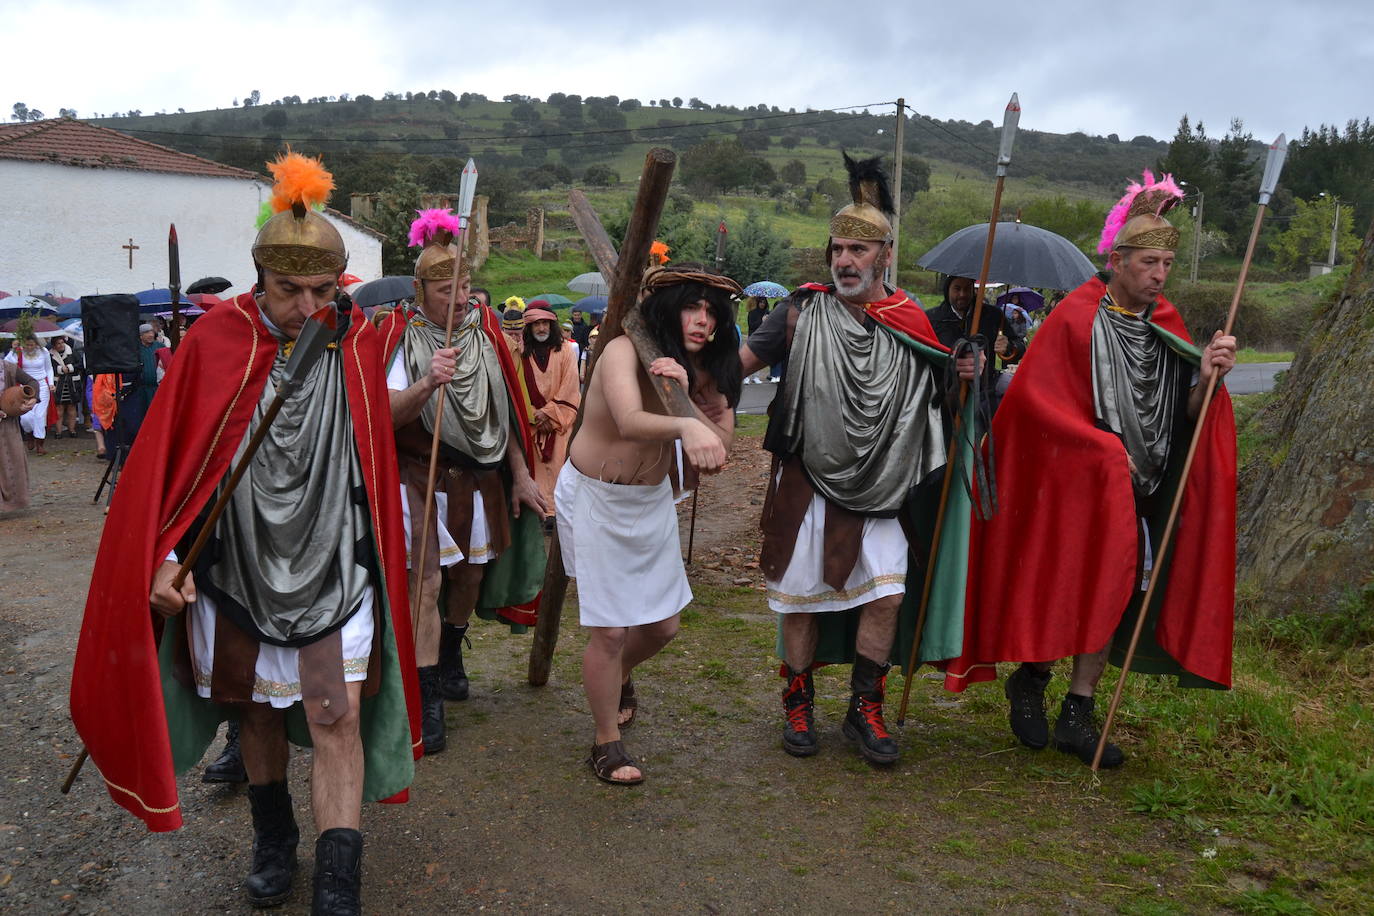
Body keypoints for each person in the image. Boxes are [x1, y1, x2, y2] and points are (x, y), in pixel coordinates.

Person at [70, 152, 421, 914]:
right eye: (287, 290)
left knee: (336, 713)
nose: (304, 306)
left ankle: (338, 880)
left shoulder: (358, 346)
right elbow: (170, 465)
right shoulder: (214, 343)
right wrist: (164, 557)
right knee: (255, 709)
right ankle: (272, 836)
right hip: (235, 566)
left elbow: (378, 444)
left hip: (335, 564)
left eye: (321, 291)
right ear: (258, 278)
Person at [942, 172, 1238, 768]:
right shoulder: (1077, 316)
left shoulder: (1165, 325)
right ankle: (1031, 679)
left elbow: (1184, 416)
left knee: (1117, 589)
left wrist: (1207, 377)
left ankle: (1079, 711)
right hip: (1070, 483)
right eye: (1149, 262)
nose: (1159, 274)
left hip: (1138, 484)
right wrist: (1098, 449)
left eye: (1167, 264)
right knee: (1064, 581)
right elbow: (1034, 401)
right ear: (1119, 260)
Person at [739, 154, 976, 765]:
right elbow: (733, 369)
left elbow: (941, 402)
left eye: (858, 251)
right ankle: (798, 703)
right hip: (805, 482)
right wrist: (672, 360)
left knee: (888, 594)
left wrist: (966, 374)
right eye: (838, 248)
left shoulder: (911, 320)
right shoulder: (799, 311)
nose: (845, 260)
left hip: (884, 487)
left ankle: (863, 709)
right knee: (799, 599)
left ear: (884, 256)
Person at [557, 264, 740, 784]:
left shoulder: (703, 368)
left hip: (650, 503)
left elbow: (720, 444)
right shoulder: (620, 349)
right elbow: (630, 422)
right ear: (666, 307)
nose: (703, 320)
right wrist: (684, 420)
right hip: (595, 498)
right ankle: (605, 744)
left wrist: (689, 397)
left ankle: (622, 678)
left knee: (662, 626)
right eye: (691, 306)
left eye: (711, 311)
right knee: (610, 630)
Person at [377, 209, 547, 755]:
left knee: (471, 578)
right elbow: (383, 415)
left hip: (480, 475)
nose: (458, 297)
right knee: (424, 582)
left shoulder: (489, 329)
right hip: (417, 475)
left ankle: (450, 651)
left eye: (465, 285)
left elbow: (509, 413)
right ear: (421, 289)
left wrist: (520, 474)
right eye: (446, 288)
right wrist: (428, 382)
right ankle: (424, 695)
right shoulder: (395, 334)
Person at [924, 274, 1026, 416]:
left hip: (985, 393)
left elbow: (1019, 346)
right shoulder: (932, 319)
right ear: (947, 290)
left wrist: (1008, 347)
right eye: (957, 289)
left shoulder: (993, 315)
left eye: (967, 289)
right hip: (945, 397)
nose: (962, 294)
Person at [518, 303, 580, 525]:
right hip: (531, 423)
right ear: (529, 326)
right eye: (536, 324)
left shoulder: (565, 350)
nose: (541, 328)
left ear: (551, 324)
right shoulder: (521, 352)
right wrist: (534, 415)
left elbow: (571, 386)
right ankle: (538, 512)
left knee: (560, 466)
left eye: (545, 323)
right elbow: (517, 386)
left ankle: (558, 514)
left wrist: (549, 414)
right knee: (533, 471)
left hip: (559, 423)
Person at [4, 335, 53, 455]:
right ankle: (29, 433)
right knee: (26, 416)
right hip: (24, 388)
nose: (29, 347)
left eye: (32, 344)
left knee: (40, 415)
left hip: (41, 385)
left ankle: (40, 444)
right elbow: (6, 363)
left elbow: (49, 368)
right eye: (27, 345)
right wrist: (13, 350)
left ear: (36, 343)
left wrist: (51, 383)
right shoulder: (19, 352)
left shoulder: (44, 352)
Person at [1, 360, 38, 513]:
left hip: (7, 425)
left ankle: (10, 503)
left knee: (10, 460)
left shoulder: (7, 367)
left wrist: (33, 399)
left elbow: (31, 381)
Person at [49, 336, 82, 437]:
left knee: (72, 407)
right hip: (59, 384)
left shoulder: (72, 352)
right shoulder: (50, 355)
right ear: (54, 345)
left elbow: (80, 365)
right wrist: (60, 369)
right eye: (58, 343)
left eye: (62, 342)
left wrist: (70, 368)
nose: (61, 345)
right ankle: (58, 432)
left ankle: (72, 430)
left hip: (72, 384)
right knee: (59, 408)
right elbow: (49, 368)